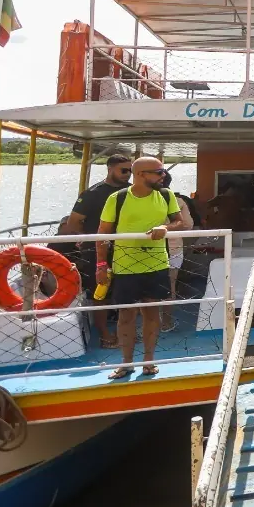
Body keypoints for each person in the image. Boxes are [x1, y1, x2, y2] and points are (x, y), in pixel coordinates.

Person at [96, 156, 191, 378]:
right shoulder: (117, 198)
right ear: (140, 175)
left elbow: (180, 221)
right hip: (125, 265)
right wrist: (101, 264)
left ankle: (149, 361)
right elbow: (102, 233)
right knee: (126, 316)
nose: (163, 176)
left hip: (157, 263)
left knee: (151, 313)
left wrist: (165, 227)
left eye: (163, 171)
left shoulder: (166, 195)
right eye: (158, 172)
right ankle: (126, 363)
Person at [60, 153, 131, 349]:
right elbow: (73, 222)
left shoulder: (132, 192)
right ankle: (104, 334)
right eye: (123, 170)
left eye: (130, 171)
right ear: (110, 169)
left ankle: (123, 331)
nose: (127, 174)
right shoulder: (92, 193)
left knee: (126, 291)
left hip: (126, 248)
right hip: (97, 249)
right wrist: (88, 239)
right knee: (101, 293)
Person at [157, 170, 196, 332]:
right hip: (173, 249)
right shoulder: (177, 201)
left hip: (143, 249)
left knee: (145, 287)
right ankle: (166, 322)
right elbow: (188, 225)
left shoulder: (139, 200)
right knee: (169, 285)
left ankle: (150, 322)